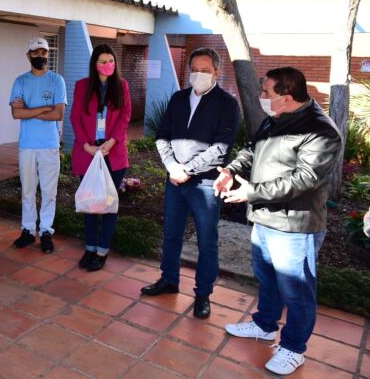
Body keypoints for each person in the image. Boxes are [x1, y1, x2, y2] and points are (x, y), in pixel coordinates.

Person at [217, 67, 341, 376]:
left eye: (266, 92)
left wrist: (252, 193)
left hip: (295, 226)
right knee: (267, 278)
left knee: (297, 291)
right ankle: (264, 324)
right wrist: (230, 170)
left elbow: (304, 180)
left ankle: (294, 348)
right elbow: (253, 150)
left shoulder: (321, 131)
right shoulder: (276, 119)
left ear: (285, 98)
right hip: (265, 219)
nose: (261, 97)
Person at [141, 47, 240, 319]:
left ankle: (203, 295)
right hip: (175, 180)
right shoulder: (178, 98)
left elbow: (222, 147)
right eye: (194, 69)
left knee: (207, 241)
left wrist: (189, 169)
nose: (198, 74)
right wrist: (172, 166)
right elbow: (162, 136)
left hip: (206, 184)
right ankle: (169, 280)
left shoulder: (227, 104)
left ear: (217, 73)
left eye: (205, 70)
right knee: (171, 233)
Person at [70, 45, 131, 271]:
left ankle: (102, 250)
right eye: (103, 61)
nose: (108, 65)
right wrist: (86, 146)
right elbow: (75, 117)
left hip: (112, 153)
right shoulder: (82, 86)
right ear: (95, 64)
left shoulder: (122, 86)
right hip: (88, 154)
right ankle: (90, 247)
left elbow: (125, 117)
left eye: (111, 61)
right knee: (90, 204)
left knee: (107, 205)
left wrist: (112, 142)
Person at [10, 37, 67, 253]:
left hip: (49, 144)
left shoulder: (57, 81)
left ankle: (45, 231)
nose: (41, 56)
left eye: (44, 53)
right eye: (36, 53)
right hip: (27, 145)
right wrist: (45, 108)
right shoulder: (20, 81)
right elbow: (16, 113)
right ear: (28, 55)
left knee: (49, 191)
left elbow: (59, 113)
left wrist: (31, 110)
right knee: (27, 190)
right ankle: (27, 230)